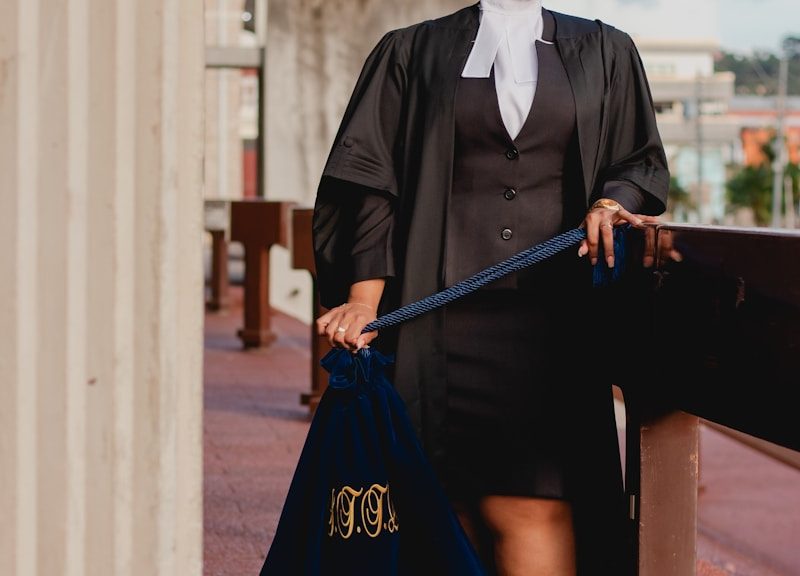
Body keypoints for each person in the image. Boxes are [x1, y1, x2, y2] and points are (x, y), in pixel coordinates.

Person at [312, 1, 669, 574]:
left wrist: (613, 201)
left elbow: (640, 162)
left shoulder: (606, 49)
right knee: (442, 507)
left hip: (553, 325)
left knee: (535, 506)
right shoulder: (411, 50)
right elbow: (372, 183)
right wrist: (362, 301)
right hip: (434, 318)